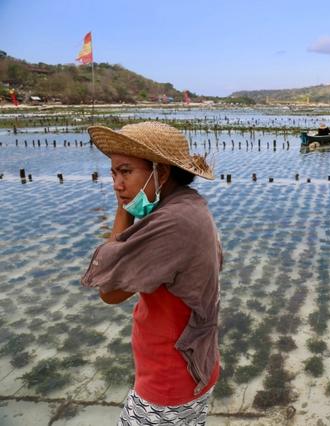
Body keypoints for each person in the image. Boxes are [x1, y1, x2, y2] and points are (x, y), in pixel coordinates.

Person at [81, 121, 222, 425]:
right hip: (190, 369)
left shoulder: (173, 223)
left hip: (169, 383)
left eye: (126, 171)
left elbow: (110, 290)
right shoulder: (189, 204)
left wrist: (125, 209)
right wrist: (131, 199)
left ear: (162, 171)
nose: (116, 184)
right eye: (113, 173)